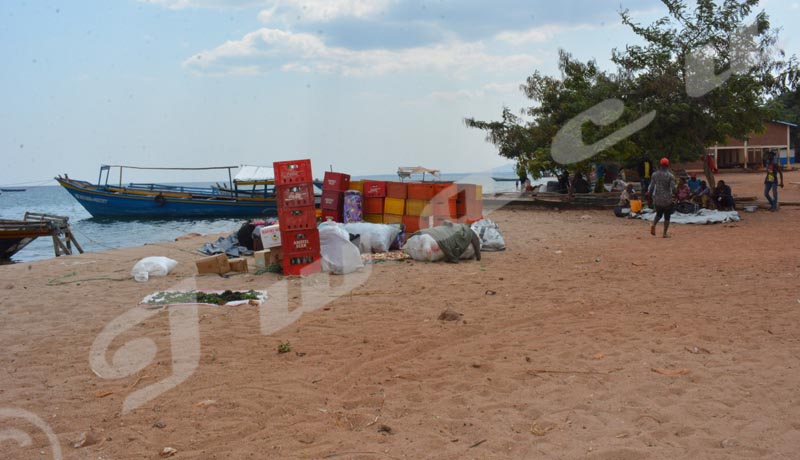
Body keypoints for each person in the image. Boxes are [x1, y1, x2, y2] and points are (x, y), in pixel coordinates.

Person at [647, 157, 676, 238]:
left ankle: (653, 224)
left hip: (657, 198)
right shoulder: (670, 176)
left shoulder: (655, 175)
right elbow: (673, 188)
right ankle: (664, 233)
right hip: (667, 199)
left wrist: (649, 197)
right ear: (668, 165)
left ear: (660, 165)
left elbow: (651, 187)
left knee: (659, 214)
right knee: (667, 216)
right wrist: (675, 193)